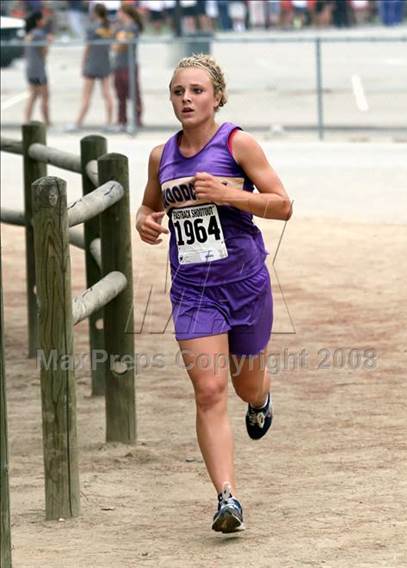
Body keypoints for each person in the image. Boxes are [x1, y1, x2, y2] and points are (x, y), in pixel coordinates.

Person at [136, 54, 292, 533]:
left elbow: (283, 205)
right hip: (193, 290)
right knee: (208, 390)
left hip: (244, 284)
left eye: (197, 90)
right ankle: (227, 499)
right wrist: (144, 221)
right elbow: (148, 205)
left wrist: (229, 194)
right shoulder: (162, 156)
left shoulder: (238, 144)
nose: (187, 98)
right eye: (179, 91)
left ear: (217, 97)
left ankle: (261, 400)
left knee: (246, 384)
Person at [71, 3, 113, 130]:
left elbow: (87, 47)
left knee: (86, 96)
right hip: (105, 63)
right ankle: (109, 122)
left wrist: (83, 63)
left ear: (95, 13)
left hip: (92, 63)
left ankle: (78, 123)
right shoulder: (108, 27)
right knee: (107, 94)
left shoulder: (92, 27)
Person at [112, 4, 143, 130]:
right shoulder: (119, 27)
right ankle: (122, 121)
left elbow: (123, 45)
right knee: (121, 95)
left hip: (129, 65)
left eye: (120, 11)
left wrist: (119, 42)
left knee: (133, 94)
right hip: (118, 64)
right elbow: (115, 44)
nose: (118, 14)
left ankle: (137, 120)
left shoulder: (133, 27)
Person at [24, 11, 50, 125]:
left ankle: (27, 121)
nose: (44, 21)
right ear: (38, 21)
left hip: (30, 69)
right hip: (39, 70)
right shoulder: (39, 34)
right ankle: (48, 122)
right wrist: (48, 43)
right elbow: (43, 52)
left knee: (33, 96)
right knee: (45, 96)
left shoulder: (28, 34)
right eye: (42, 19)